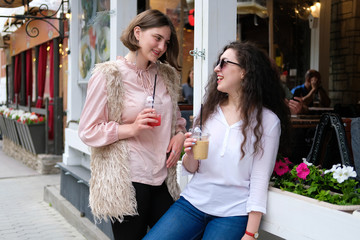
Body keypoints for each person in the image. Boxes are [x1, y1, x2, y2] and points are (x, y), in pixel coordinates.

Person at [144, 41, 290, 240]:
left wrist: (250, 232)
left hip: (232, 213)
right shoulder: (209, 111)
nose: (216, 68)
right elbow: (193, 167)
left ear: (244, 72)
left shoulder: (267, 121)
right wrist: (189, 154)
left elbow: (259, 179)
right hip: (192, 203)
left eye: (224, 63)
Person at [78, 9, 187, 240]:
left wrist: (180, 135)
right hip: (129, 179)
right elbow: (88, 131)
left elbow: (176, 119)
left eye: (166, 42)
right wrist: (132, 128)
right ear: (138, 33)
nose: (161, 47)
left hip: (162, 176)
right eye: (157, 38)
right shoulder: (109, 75)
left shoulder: (166, 75)